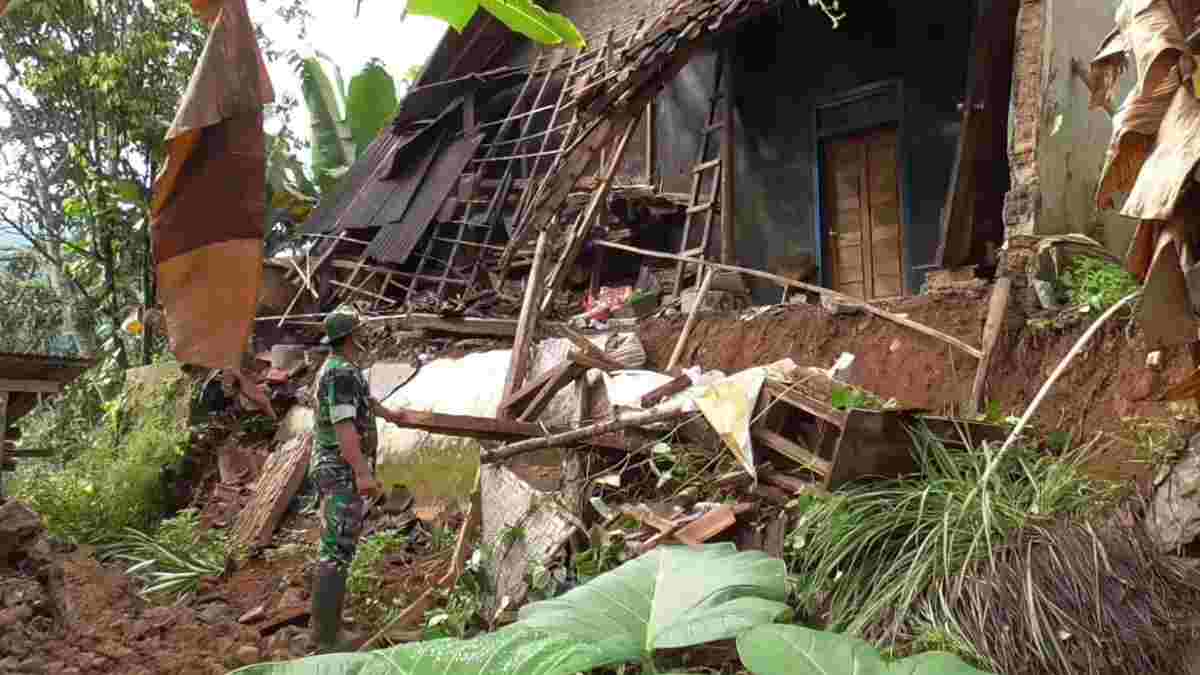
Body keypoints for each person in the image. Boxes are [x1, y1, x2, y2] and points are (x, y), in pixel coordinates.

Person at [309, 311, 384, 654]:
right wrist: (362, 471)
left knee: (338, 545)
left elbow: (357, 405)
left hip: (337, 468)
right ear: (352, 337)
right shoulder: (340, 372)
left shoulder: (339, 368)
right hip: (339, 469)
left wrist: (386, 414)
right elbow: (343, 426)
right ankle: (326, 639)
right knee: (336, 548)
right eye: (361, 332)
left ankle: (330, 627)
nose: (365, 336)